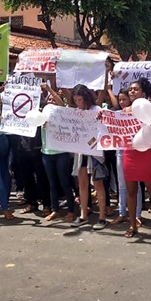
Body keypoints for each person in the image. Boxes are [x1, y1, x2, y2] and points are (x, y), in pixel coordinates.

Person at [122, 78, 151, 239]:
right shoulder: (124, 111)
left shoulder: (150, 110)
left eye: (135, 89)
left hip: (147, 154)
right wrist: (102, 118)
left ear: (143, 93)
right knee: (131, 192)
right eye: (130, 89)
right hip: (129, 154)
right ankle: (132, 225)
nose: (132, 91)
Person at [68, 84, 109, 231]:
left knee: (98, 184)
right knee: (82, 184)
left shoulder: (96, 111)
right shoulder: (75, 112)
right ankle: (83, 214)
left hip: (95, 153)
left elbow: (103, 131)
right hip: (80, 153)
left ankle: (102, 216)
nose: (79, 103)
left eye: (81, 100)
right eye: (76, 100)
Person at [40, 85, 77, 222]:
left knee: (65, 182)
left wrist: (50, 90)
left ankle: (71, 211)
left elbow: (61, 103)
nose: (51, 101)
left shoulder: (63, 111)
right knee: (52, 183)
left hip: (61, 153)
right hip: (46, 153)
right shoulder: (43, 112)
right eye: (49, 99)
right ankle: (55, 209)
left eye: (54, 99)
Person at [109, 89, 143, 226]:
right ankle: (122, 213)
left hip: (135, 152)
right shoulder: (116, 115)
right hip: (120, 152)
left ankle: (137, 215)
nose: (122, 102)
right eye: (120, 99)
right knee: (121, 184)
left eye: (125, 99)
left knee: (136, 185)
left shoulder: (137, 113)